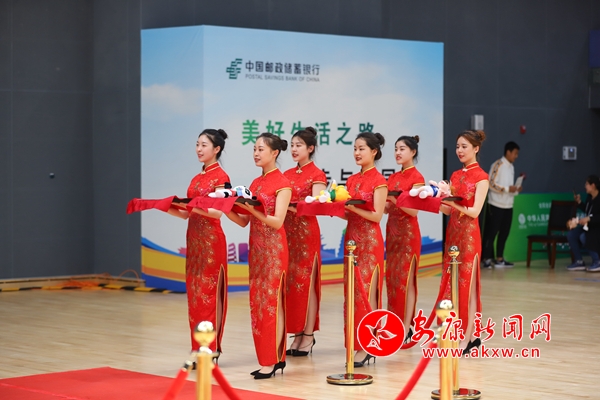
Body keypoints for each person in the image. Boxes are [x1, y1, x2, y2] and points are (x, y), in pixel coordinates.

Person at [226, 133, 292, 379]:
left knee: (272, 302)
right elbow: (244, 221)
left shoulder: (283, 183)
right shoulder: (255, 183)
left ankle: (273, 359)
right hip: (257, 250)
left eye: (260, 149)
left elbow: (277, 222)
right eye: (254, 149)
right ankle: (270, 358)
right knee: (258, 304)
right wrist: (226, 207)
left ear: (274, 153)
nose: (256, 153)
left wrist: (252, 210)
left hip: (274, 251)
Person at [167, 129, 230, 360]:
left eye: (204, 145)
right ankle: (197, 348)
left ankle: (210, 349)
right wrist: (167, 207)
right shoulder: (196, 178)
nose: (199, 149)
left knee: (208, 296)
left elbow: (218, 212)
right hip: (194, 243)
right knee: (195, 297)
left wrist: (193, 206)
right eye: (197, 144)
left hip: (212, 243)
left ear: (217, 149)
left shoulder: (221, 177)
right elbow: (187, 214)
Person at [439, 130, 489, 354]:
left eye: (464, 146)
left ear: (476, 149)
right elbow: (448, 211)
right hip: (453, 235)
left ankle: (467, 338)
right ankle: (468, 335)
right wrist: (438, 198)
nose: (459, 150)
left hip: (469, 237)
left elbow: (475, 211)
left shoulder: (482, 177)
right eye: (457, 146)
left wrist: (452, 202)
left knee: (468, 286)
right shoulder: (455, 175)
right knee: (454, 286)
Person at [343, 132, 388, 367]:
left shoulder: (379, 181)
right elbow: (348, 213)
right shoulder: (351, 180)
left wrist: (351, 208)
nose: (357, 153)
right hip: (351, 240)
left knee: (367, 291)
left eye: (361, 149)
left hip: (370, 242)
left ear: (374, 152)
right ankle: (355, 342)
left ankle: (369, 344)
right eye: (355, 148)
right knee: (352, 294)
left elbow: (377, 216)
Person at [283, 127, 327, 357]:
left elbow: (316, 206)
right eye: (292, 145)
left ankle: (308, 335)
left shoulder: (317, 175)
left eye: (298, 145)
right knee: (293, 286)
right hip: (287, 233)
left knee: (307, 284)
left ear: (310, 148)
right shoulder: (286, 174)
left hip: (306, 234)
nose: (294, 149)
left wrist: (292, 207)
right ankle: (298, 332)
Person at [385, 135, 424, 340]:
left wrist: (393, 198)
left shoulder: (417, 178)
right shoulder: (391, 178)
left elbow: (413, 211)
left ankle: (407, 326)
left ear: (413, 152)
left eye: (402, 149)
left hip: (408, 235)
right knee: (392, 280)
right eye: (396, 149)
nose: (398, 153)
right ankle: (393, 324)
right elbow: (386, 208)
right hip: (392, 234)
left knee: (406, 280)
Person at [482, 141, 521, 268]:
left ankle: (499, 258)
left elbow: (508, 187)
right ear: (508, 152)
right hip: (496, 205)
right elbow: (491, 184)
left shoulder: (511, 167)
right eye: (515, 153)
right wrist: (507, 189)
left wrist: (514, 189)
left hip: (508, 205)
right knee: (492, 232)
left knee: (504, 233)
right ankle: (486, 258)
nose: (516, 156)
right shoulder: (498, 164)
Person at [566, 175, 600, 272]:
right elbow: (588, 211)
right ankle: (579, 261)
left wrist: (589, 219)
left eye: (586, 184)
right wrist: (579, 202)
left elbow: (594, 216)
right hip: (589, 226)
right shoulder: (589, 197)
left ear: (593, 185)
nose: (585, 186)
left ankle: (597, 261)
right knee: (572, 234)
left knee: (584, 236)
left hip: (597, 228)